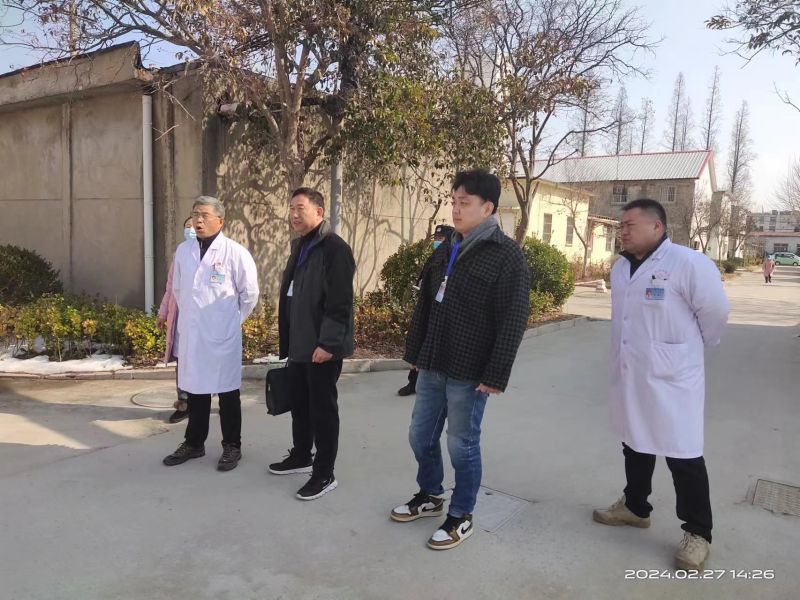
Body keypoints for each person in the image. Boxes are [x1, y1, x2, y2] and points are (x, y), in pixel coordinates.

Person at [390, 170, 530, 550]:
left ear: (488, 208)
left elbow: (514, 317)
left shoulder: (506, 256)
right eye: (453, 202)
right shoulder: (447, 246)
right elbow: (425, 303)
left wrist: (496, 373)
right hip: (434, 362)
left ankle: (461, 513)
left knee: (461, 445)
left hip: (471, 370)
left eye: (464, 203)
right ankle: (431, 494)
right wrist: (416, 352)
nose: (455, 209)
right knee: (420, 435)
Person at [592, 198, 729, 572]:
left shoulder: (688, 263)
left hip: (674, 376)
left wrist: (693, 346)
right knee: (634, 441)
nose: (622, 231)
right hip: (631, 371)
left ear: (657, 226)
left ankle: (698, 533)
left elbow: (715, 313)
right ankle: (636, 507)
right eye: (621, 225)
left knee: (682, 452)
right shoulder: (621, 268)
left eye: (629, 225)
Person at [269, 187, 356, 501]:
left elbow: (340, 302)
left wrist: (328, 344)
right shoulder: (301, 246)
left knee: (322, 411)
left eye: (300, 208)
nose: (294, 214)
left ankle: (324, 473)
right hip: (300, 344)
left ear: (319, 212)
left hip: (321, 348)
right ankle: (301, 455)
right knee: (300, 405)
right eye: (291, 208)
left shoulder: (335, 249)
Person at [162, 196, 259, 471]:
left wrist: (230, 321)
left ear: (221, 221)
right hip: (193, 335)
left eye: (204, 215)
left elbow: (249, 294)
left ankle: (232, 446)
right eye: (195, 214)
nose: (198, 220)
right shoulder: (183, 251)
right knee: (196, 391)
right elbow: (178, 289)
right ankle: (194, 443)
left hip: (222, 336)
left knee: (227, 393)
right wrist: (192, 320)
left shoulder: (235, 253)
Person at [397, 224, 455, 398]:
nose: (437, 242)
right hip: (427, 309)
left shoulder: (451, 259)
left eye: (441, 239)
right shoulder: (435, 257)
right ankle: (413, 382)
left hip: (441, 314)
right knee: (420, 342)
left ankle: (421, 382)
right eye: (436, 239)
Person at [157, 217, 195, 424]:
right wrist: (163, 313)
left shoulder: (212, 254)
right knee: (182, 362)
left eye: (194, 226)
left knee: (201, 362)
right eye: (187, 226)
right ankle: (184, 404)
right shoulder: (180, 254)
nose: (191, 230)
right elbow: (170, 287)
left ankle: (204, 402)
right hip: (179, 318)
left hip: (200, 320)